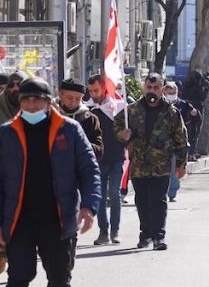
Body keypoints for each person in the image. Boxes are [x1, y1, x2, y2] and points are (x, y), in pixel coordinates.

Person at [0, 78, 100, 287]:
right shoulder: (6, 133)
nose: (32, 105)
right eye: (27, 100)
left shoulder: (69, 130)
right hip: (20, 221)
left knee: (60, 279)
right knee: (18, 281)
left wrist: (89, 206)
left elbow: (89, 170)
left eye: (38, 100)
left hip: (59, 219)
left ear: (50, 102)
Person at [114, 73, 189, 250]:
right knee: (141, 200)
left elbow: (181, 139)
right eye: (149, 87)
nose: (152, 91)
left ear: (162, 89)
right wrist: (122, 134)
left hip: (161, 165)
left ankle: (158, 236)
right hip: (139, 164)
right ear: (144, 88)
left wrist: (181, 164)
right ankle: (145, 234)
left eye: (156, 88)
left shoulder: (171, 113)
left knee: (158, 200)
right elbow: (117, 126)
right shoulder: (131, 111)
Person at [88, 74, 126, 245]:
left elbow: (127, 131)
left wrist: (127, 135)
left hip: (116, 158)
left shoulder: (118, 108)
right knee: (100, 198)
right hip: (97, 161)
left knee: (114, 195)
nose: (93, 94)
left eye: (96, 90)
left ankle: (115, 231)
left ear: (104, 88)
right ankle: (103, 232)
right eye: (90, 91)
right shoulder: (88, 110)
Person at [56, 78, 103, 161]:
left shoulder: (90, 119)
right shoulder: (51, 116)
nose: (73, 102)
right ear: (60, 95)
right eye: (70, 98)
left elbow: (99, 150)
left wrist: (80, 144)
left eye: (78, 99)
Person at [164, 81, 194, 201]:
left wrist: (195, 114)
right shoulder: (159, 105)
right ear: (164, 92)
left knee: (173, 170)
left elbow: (196, 120)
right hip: (160, 145)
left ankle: (171, 193)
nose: (171, 95)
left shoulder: (184, 105)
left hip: (176, 144)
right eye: (169, 93)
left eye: (173, 92)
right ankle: (161, 193)